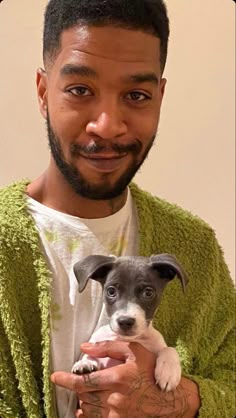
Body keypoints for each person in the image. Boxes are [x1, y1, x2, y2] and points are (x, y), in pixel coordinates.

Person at [0, 0, 234, 417]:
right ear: (42, 92)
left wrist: (181, 400)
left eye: (136, 95)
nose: (107, 124)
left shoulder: (195, 245)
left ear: (160, 98)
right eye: (80, 90)